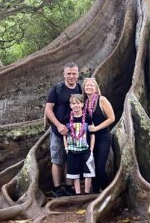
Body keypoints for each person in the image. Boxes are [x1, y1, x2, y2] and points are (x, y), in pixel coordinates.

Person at [44, 62, 82, 197]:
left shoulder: (80, 88)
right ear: (64, 74)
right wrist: (58, 125)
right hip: (57, 130)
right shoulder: (57, 89)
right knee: (57, 159)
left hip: (74, 131)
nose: (71, 76)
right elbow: (48, 109)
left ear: (77, 74)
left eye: (74, 74)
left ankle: (68, 186)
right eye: (69, 74)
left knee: (69, 159)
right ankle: (56, 188)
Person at [83, 77, 115, 192]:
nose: (89, 87)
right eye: (87, 85)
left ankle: (107, 191)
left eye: (91, 85)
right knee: (92, 168)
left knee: (100, 168)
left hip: (103, 138)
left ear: (96, 88)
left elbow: (112, 118)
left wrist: (96, 128)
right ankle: (95, 192)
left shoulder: (102, 100)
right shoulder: (84, 102)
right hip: (89, 139)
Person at [63, 94, 95, 195]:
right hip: (72, 149)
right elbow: (64, 135)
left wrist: (92, 149)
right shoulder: (67, 118)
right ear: (70, 105)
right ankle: (77, 192)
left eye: (78, 103)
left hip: (85, 148)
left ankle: (86, 192)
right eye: (73, 103)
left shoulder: (88, 118)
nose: (76, 105)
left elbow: (92, 135)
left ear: (82, 104)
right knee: (74, 172)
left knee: (88, 170)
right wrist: (66, 147)